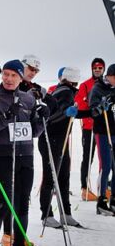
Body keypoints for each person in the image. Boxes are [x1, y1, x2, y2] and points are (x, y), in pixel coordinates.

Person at [0, 60, 47, 246]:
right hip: (3, 155)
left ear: (20, 77)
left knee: (22, 205)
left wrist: (41, 119)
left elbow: (33, 132)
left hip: (25, 155)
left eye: (13, 75)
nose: (9, 79)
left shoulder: (28, 99)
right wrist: (7, 117)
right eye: (6, 75)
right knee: (2, 204)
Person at [39, 67, 89, 227]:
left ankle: (65, 213)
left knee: (63, 176)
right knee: (51, 177)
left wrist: (92, 112)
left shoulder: (67, 91)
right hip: (50, 139)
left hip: (60, 140)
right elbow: (53, 116)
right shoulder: (64, 92)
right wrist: (66, 112)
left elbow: (72, 113)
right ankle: (46, 214)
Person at [76, 58, 106, 201]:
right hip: (89, 126)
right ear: (91, 69)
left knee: (104, 158)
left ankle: (104, 188)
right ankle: (84, 188)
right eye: (95, 68)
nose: (98, 70)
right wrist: (91, 106)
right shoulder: (85, 85)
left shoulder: (107, 84)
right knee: (88, 157)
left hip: (104, 127)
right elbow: (80, 105)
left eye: (100, 68)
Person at [89, 64, 115, 215]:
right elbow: (92, 111)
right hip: (103, 131)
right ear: (110, 76)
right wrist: (100, 107)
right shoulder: (98, 88)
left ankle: (113, 200)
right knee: (106, 166)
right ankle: (101, 201)